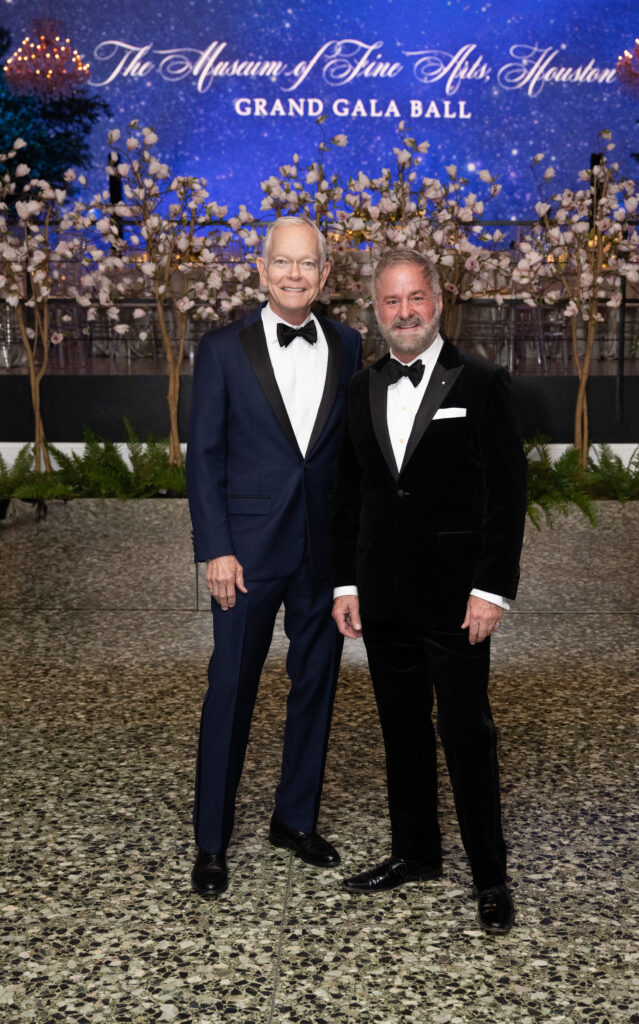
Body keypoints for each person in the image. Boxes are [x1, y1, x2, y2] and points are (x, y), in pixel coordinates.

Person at [331, 248, 526, 934]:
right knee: (400, 730)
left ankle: (490, 875)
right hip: (382, 598)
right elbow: (353, 495)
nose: (404, 311)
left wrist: (491, 591)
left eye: (415, 297)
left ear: (437, 301)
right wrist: (346, 583)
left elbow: (506, 497)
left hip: (455, 598)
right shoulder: (359, 389)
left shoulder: (481, 381)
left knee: (467, 733)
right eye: (390, 301)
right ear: (375, 311)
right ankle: (414, 853)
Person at [186, 216, 362, 897]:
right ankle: (210, 841)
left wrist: (352, 565)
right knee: (230, 690)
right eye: (282, 263)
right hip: (247, 555)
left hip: (319, 550)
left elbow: (347, 461)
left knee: (314, 689)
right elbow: (204, 457)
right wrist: (217, 549)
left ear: (324, 274)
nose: (294, 274)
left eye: (307, 264)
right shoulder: (224, 348)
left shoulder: (348, 344)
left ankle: (293, 821)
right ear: (262, 269)